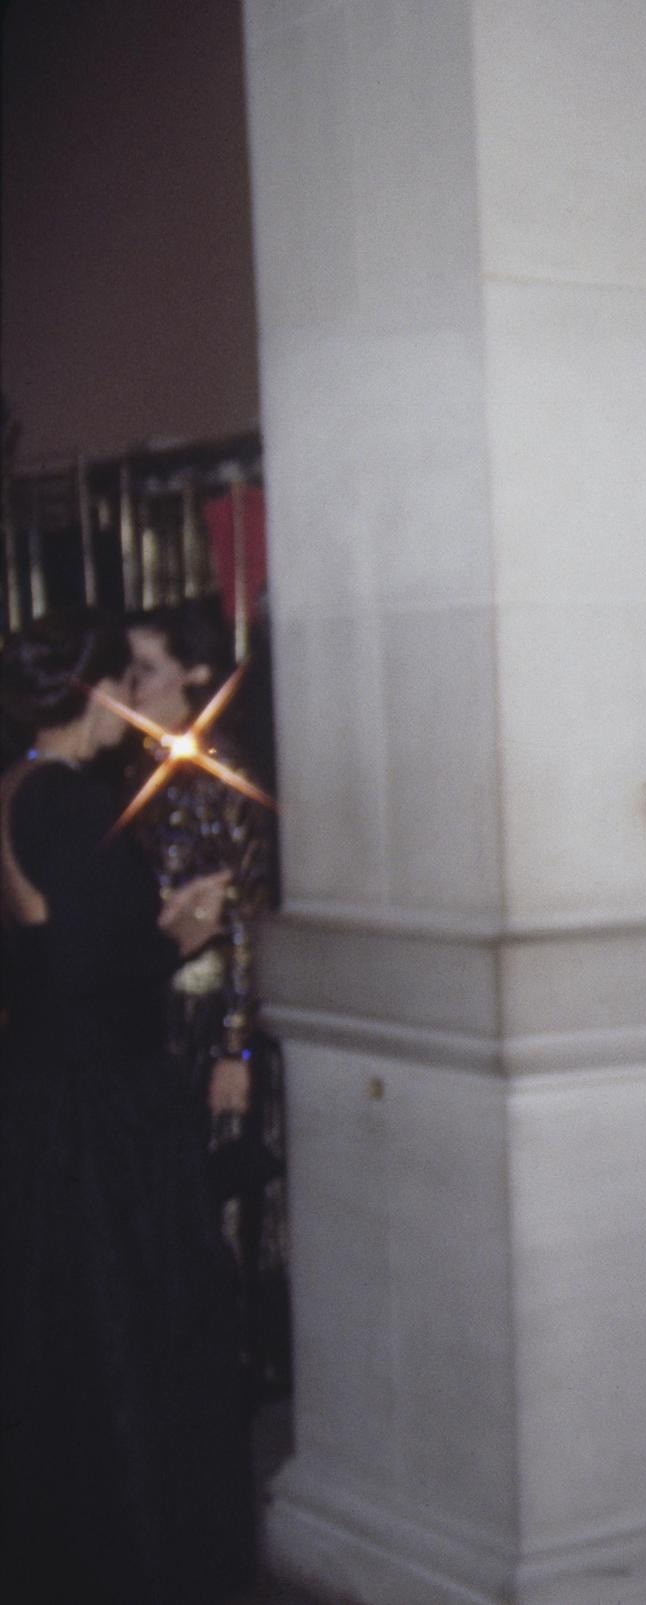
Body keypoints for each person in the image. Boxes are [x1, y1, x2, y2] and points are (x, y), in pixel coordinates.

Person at [0, 609, 254, 1601]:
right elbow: (93, 967)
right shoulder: (66, 799)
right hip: (99, 1104)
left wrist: (149, 928)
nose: (130, 705)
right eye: (122, 683)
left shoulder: (19, 784)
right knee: (126, 1336)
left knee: (60, 1330)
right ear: (95, 691)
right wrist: (182, 936)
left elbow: (56, 946)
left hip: (46, 1087)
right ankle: (139, 1557)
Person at [125, 599, 289, 1404]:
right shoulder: (140, 768)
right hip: (161, 1014)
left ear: (195, 674)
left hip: (214, 1011)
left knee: (227, 1198)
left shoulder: (224, 773)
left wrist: (236, 1045)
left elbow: (250, 918)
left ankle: (236, 1366)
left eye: (144, 670)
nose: (129, 687)